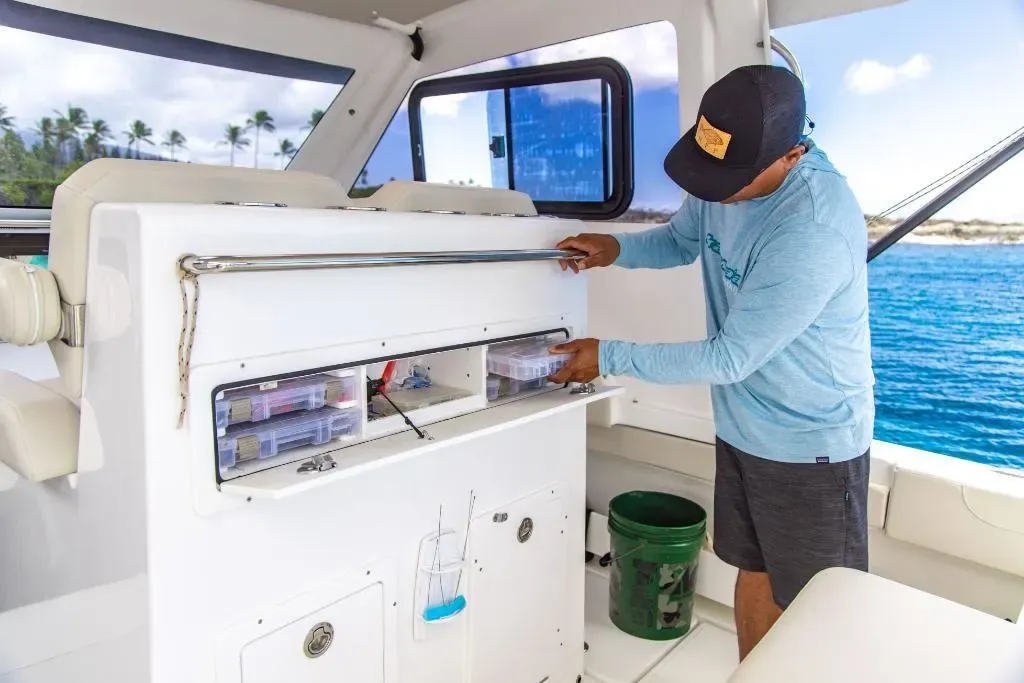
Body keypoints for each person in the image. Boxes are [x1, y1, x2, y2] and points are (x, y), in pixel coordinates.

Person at [550, 65, 874, 660]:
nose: (711, 191)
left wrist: (608, 356)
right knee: (753, 570)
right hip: (743, 429)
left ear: (792, 154)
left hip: (809, 445)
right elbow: (680, 241)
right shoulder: (724, 173)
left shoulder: (813, 226)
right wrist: (615, 248)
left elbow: (730, 357)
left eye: (727, 180)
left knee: (817, 612)